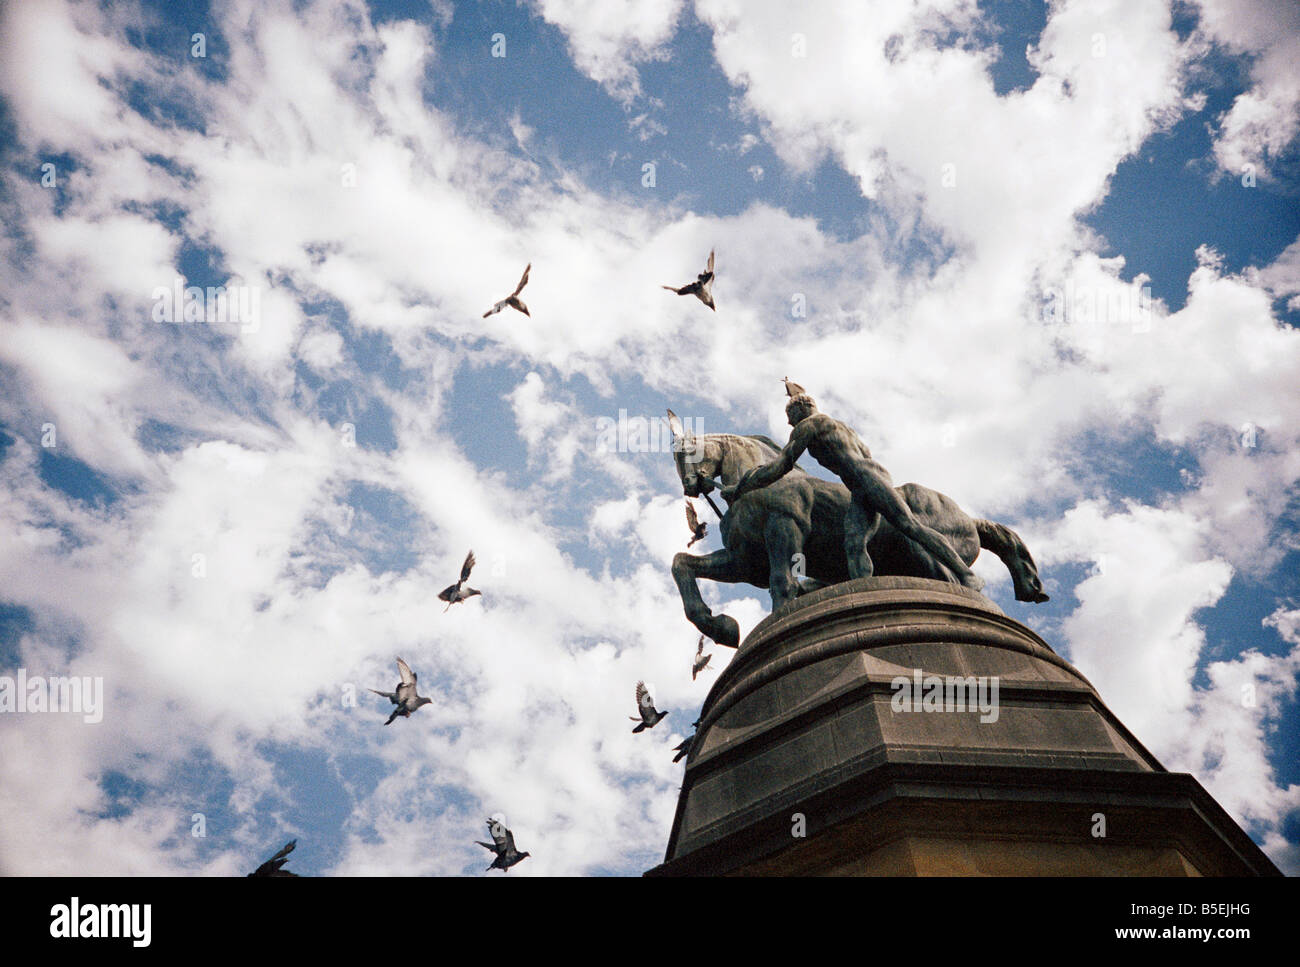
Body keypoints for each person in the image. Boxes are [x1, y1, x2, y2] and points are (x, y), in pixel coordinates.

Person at [727, 388, 984, 591]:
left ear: (801, 410)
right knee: (853, 542)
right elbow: (866, 454)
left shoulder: (810, 425)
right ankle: (865, 593)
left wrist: (743, 485)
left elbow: (781, 466)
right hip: (863, 485)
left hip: (866, 480)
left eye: (790, 419)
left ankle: (966, 575)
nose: (790, 425)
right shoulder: (840, 426)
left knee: (910, 526)